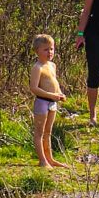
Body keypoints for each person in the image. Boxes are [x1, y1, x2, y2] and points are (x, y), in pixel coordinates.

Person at [27, 34, 69, 168]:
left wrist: (60, 94)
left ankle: (50, 159)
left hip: (53, 102)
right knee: (39, 132)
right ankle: (42, 160)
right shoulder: (37, 67)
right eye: (45, 49)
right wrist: (51, 95)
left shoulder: (52, 65)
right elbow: (33, 88)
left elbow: (54, 82)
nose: (49, 52)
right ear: (37, 51)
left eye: (51, 49)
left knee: (48, 132)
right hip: (42, 102)